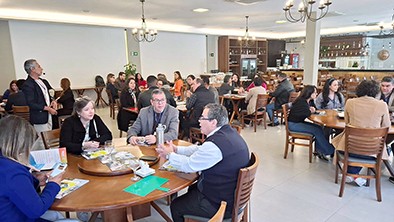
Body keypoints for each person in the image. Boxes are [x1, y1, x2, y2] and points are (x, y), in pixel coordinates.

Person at [156, 103, 250, 222]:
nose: (199, 121)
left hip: (220, 203)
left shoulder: (215, 145)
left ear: (213, 122)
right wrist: (177, 149)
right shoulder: (228, 133)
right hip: (230, 193)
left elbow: (189, 165)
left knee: (176, 206)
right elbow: (201, 149)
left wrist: (169, 154)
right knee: (192, 189)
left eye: (202, 118)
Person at [0, 115, 65, 221]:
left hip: (14, 212)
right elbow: (37, 210)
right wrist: (53, 184)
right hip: (21, 217)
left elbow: (15, 191)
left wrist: (35, 180)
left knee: (56, 216)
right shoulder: (12, 172)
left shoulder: (5, 164)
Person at [332, 80, 391, 186]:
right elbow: (386, 126)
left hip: (350, 148)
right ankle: (352, 173)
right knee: (381, 146)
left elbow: (347, 122)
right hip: (372, 151)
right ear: (376, 91)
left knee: (338, 140)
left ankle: (350, 172)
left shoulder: (350, 102)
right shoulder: (382, 105)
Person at [288, 85, 335, 160]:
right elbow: (307, 113)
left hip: (299, 122)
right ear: (309, 93)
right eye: (315, 92)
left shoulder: (309, 101)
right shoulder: (301, 102)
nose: (316, 94)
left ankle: (320, 150)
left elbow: (314, 109)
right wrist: (311, 110)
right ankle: (331, 150)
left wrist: (312, 109)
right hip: (293, 124)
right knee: (316, 130)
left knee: (319, 127)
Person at [23, 59, 58, 132]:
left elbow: (51, 92)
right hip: (40, 116)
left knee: (51, 137)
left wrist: (53, 101)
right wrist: (48, 109)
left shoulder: (43, 81)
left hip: (50, 115)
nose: (41, 68)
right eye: (39, 66)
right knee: (42, 140)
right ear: (32, 69)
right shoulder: (28, 84)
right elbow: (31, 103)